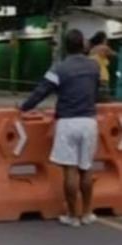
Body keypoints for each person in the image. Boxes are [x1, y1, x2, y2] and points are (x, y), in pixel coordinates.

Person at [20, 29, 100, 227]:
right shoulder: (94, 66)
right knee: (86, 168)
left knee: (70, 170)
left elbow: (41, 92)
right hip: (89, 121)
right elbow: (97, 89)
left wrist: (23, 107)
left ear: (65, 46)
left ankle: (73, 216)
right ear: (83, 45)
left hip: (67, 122)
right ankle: (88, 213)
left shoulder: (58, 68)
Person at [89, 31, 116, 102]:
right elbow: (114, 54)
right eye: (106, 39)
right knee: (105, 101)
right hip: (103, 78)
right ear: (103, 39)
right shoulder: (103, 47)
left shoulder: (92, 50)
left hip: (94, 78)